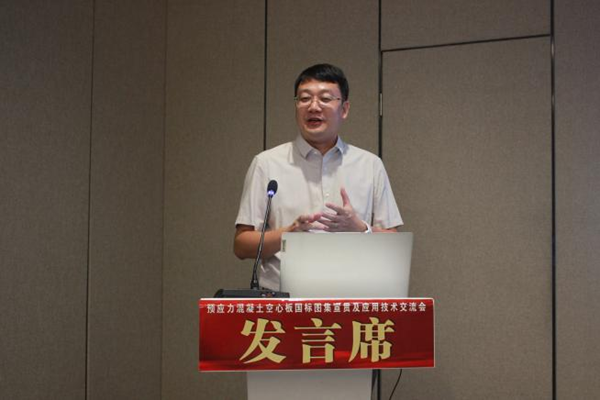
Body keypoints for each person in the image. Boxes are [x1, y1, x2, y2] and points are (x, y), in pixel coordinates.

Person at [233, 63, 403, 290]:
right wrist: (288, 234)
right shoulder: (266, 164)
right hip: (284, 301)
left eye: (325, 99)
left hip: (353, 299)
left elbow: (394, 244)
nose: (313, 107)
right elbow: (241, 245)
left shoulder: (370, 165)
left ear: (344, 109)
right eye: (304, 99)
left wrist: (360, 228)